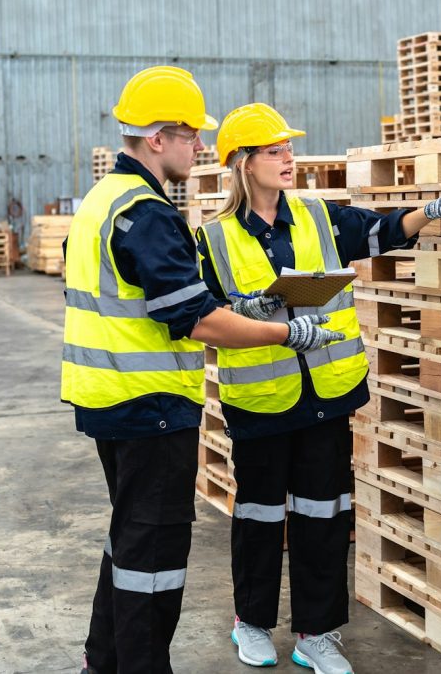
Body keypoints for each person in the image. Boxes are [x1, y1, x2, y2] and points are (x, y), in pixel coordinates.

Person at [62, 69, 344, 674]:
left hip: (106, 397)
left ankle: (102, 662)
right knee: (153, 559)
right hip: (150, 404)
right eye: (191, 135)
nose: (200, 147)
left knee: (127, 542)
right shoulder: (148, 213)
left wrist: (241, 306)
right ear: (157, 138)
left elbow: (145, 296)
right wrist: (285, 332)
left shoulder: (102, 200)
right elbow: (194, 319)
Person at [196, 103, 441, 674]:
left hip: (326, 396)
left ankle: (317, 634)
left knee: (324, 517)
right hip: (262, 402)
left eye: (288, 149)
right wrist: (248, 310)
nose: (289, 159)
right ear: (243, 163)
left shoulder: (318, 217)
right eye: (275, 151)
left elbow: (379, 232)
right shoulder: (213, 238)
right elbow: (202, 312)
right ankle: (251, 622)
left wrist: (429, 212)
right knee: (258, 518)